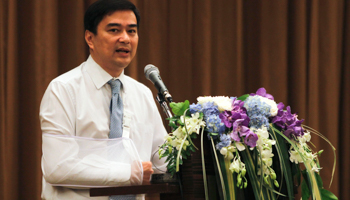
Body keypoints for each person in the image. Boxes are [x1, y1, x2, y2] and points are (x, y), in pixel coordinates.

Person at [39, 0, 167, 199]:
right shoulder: (63, 89)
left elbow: (163, 163)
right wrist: (128, 174)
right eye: (114, 30)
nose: (125, 38)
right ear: (90, 38)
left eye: (131, 31)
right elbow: (57, 167)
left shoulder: (142, 94)